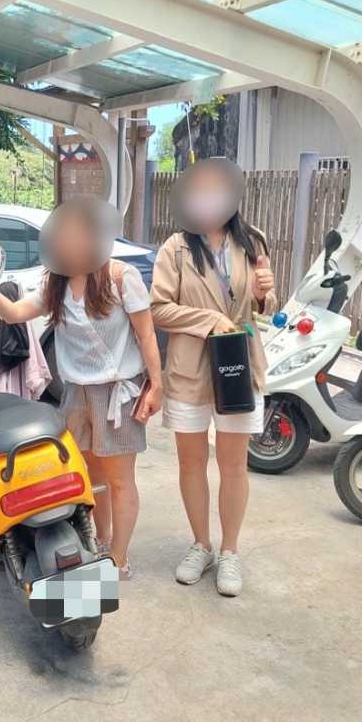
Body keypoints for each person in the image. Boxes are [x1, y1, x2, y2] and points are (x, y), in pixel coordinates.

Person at [0, 197, 163, 579]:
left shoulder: (121, 277)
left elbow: (146, 336)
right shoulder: (54, 283)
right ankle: (101, 542)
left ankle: (120, 560)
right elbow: (14, 313)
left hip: (117, 394)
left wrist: (156, 385)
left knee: (121, 480)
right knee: (90, 479)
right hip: (75, 394)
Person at [150, 158, 276, 597]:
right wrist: (207, 319)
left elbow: (269, 308)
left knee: (234, 465)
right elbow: (158, 309)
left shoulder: (252, 239)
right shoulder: (175, 248)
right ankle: (201, 544)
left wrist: (265, 293)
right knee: (191, 462)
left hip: (239, 365)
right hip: (190, 368)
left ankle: (230, 552)